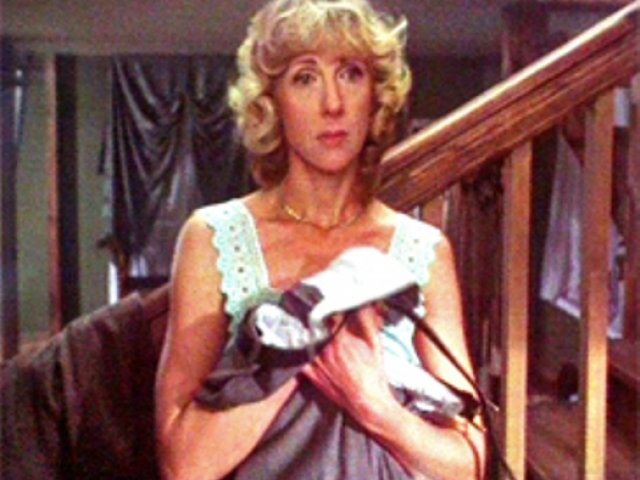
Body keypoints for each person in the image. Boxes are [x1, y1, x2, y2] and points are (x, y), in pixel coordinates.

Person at [155, 0, 486, 478]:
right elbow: (183, 465)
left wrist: (371, 404)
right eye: (305, 78)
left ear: (375, 95)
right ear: (271, 104)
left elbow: (468, 465)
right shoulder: (212, 237)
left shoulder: (423, 249)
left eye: (350, 74)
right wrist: (294, 345)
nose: (333, 104)